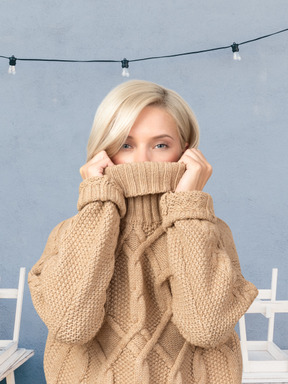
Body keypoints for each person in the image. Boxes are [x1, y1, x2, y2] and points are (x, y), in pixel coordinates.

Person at [28, 80, 258, 384]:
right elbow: (71, 327)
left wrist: (188, 207)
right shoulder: (72, 232)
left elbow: (207, 328)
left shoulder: (207, 229)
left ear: (186, 152)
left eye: (160, 145)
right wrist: (97, 203)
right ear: (103, 152)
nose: (141, 160)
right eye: (125, 144)